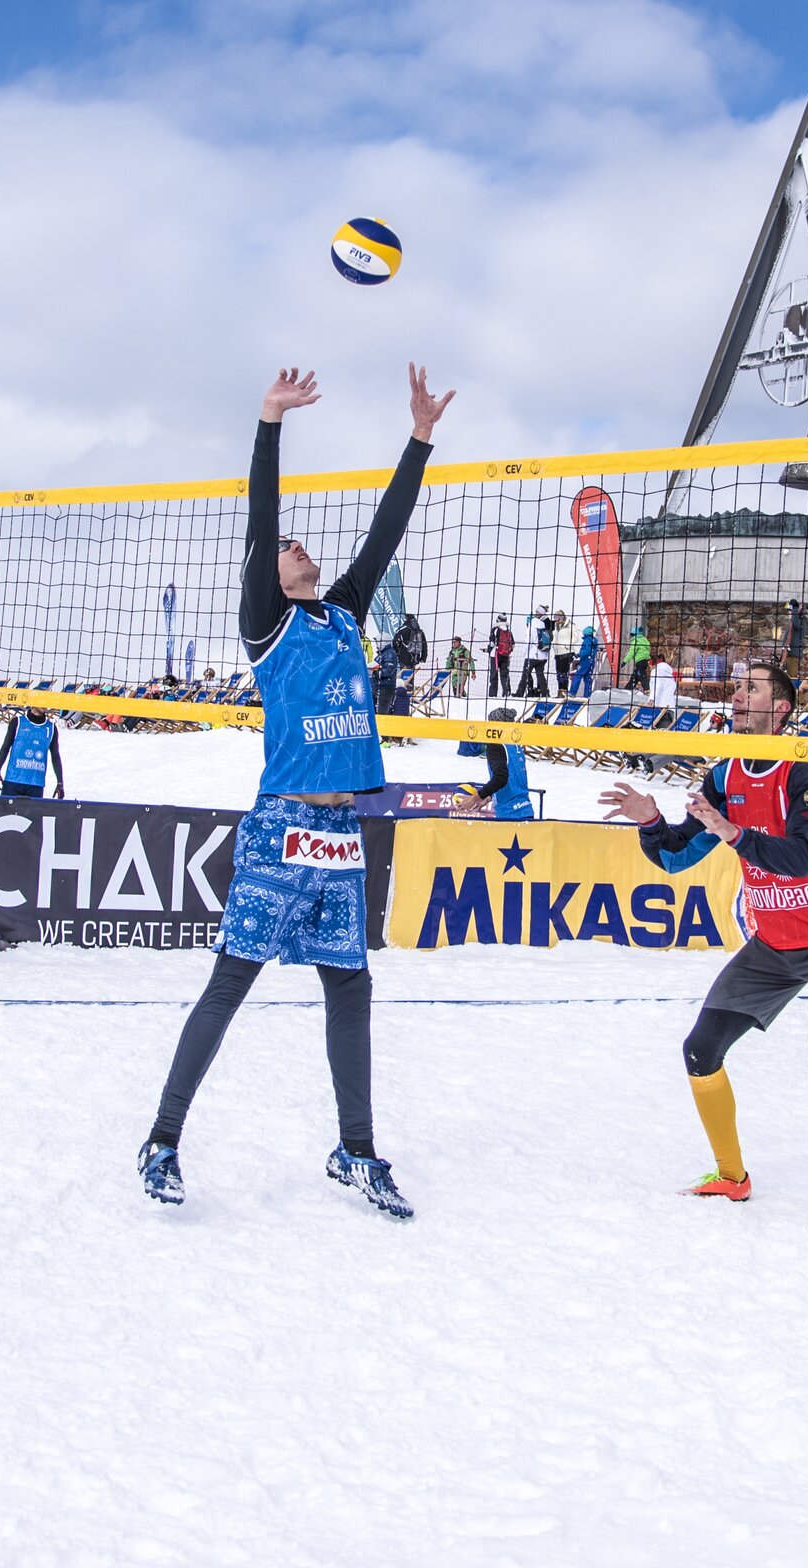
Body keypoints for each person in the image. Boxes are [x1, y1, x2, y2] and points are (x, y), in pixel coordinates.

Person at [139, 361, 454, 1221]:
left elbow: (385, 533)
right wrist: (270, 421)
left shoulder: (342, 612)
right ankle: (162, 1139)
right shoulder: (267, 622)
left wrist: (419, 439)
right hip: (282, 827)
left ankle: (357, 1152)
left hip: (341, 834)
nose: (297, 545)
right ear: (266, 575)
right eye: (285, 549)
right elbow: (261, 514)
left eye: (298, 544)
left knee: (350, 989)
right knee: (230, 983)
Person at [598, 659, 808, 1235]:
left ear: (780, 708)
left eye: (750, 689)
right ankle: (732, 1176)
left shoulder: (807, 769)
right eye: (736, 687)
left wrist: (733, 833)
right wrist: (651, 821)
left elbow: (799, 858)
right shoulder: (725, 775)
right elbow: (676, 855)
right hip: (774, 944)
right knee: (700, 1051)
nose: (736, 695)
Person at [453, 710, 534, 821]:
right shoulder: (515, 746)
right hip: (525, 809)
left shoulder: (495, 745)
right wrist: (489, 797)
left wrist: (475, 798)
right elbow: (512, 779)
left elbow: (501, 778)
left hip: (509, 814)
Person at [0, 708, 65, 800]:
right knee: (5, 810)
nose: (44, 705)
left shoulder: (51, 728)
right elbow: (5, 747)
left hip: (36, 784)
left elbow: (55, 756)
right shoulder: (17, 722)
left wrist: (60, 783)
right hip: (13, 780)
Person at [516, 606, 552, 700]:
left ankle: (520, 693)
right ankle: (545, 694)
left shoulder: (532, 626)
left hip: (532, 655)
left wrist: (524, 653)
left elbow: (528, 641)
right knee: (540, 675)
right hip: (543, 656)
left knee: (525, 674)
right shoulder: (544, 626)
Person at [550, 609, 577, 697]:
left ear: (563, 617)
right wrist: (553, 643)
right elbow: (553, 637)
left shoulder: (570, 625)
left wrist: (567, 645)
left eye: (559, 617)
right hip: (557, 653)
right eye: (556, 617)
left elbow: (576, 637)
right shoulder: (555, 627)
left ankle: (564, 692)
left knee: (563, 673)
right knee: (558, 674)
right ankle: (560, 692)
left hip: (567, 652)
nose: (557, 619)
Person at [778, 598, 807, 676]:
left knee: (791, 677)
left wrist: (795, 610)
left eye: (789, 611)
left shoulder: (801, 621)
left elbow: (794, 622)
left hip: (793, 656)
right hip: (789, 655)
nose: (788, 613)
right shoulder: (795, 622)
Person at [486, 615, 514, 697]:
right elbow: (513, 644)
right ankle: (507, 692)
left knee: (494, 675)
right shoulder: (508, 631)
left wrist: (489, 650)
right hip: (506, 655)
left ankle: (492, 694)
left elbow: (492, 643)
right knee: (505, 674)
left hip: (495, 654)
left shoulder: (495, 629)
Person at [569, 626, 599, 699]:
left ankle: (572, 693)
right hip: (591, 661)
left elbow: (587, 650)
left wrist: (578, 655)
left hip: (585, 661)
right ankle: (587, 695)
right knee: (587, 678)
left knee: (577, 675)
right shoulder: (594, 640)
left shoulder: (587, 640)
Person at [622, 625, 651, 693]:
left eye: (631, 635)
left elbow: (631, 653)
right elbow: (648, 649)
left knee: (641, 675)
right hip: (645, 660)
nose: (630, 637)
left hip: (640, 660)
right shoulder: (644, 640)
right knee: (635, 676)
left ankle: (647, 689)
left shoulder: (635, 641)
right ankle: (627, 689)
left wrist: (624, 662)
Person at [374, 637, 398, 715]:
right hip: (380, 686)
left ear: (383, 642)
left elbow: (389, 670)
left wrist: (376, 673)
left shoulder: (389, 654)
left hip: (385, 687)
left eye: (377, 642)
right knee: (378, 711)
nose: (376, 645)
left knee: (382, 712)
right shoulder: (383, 654)